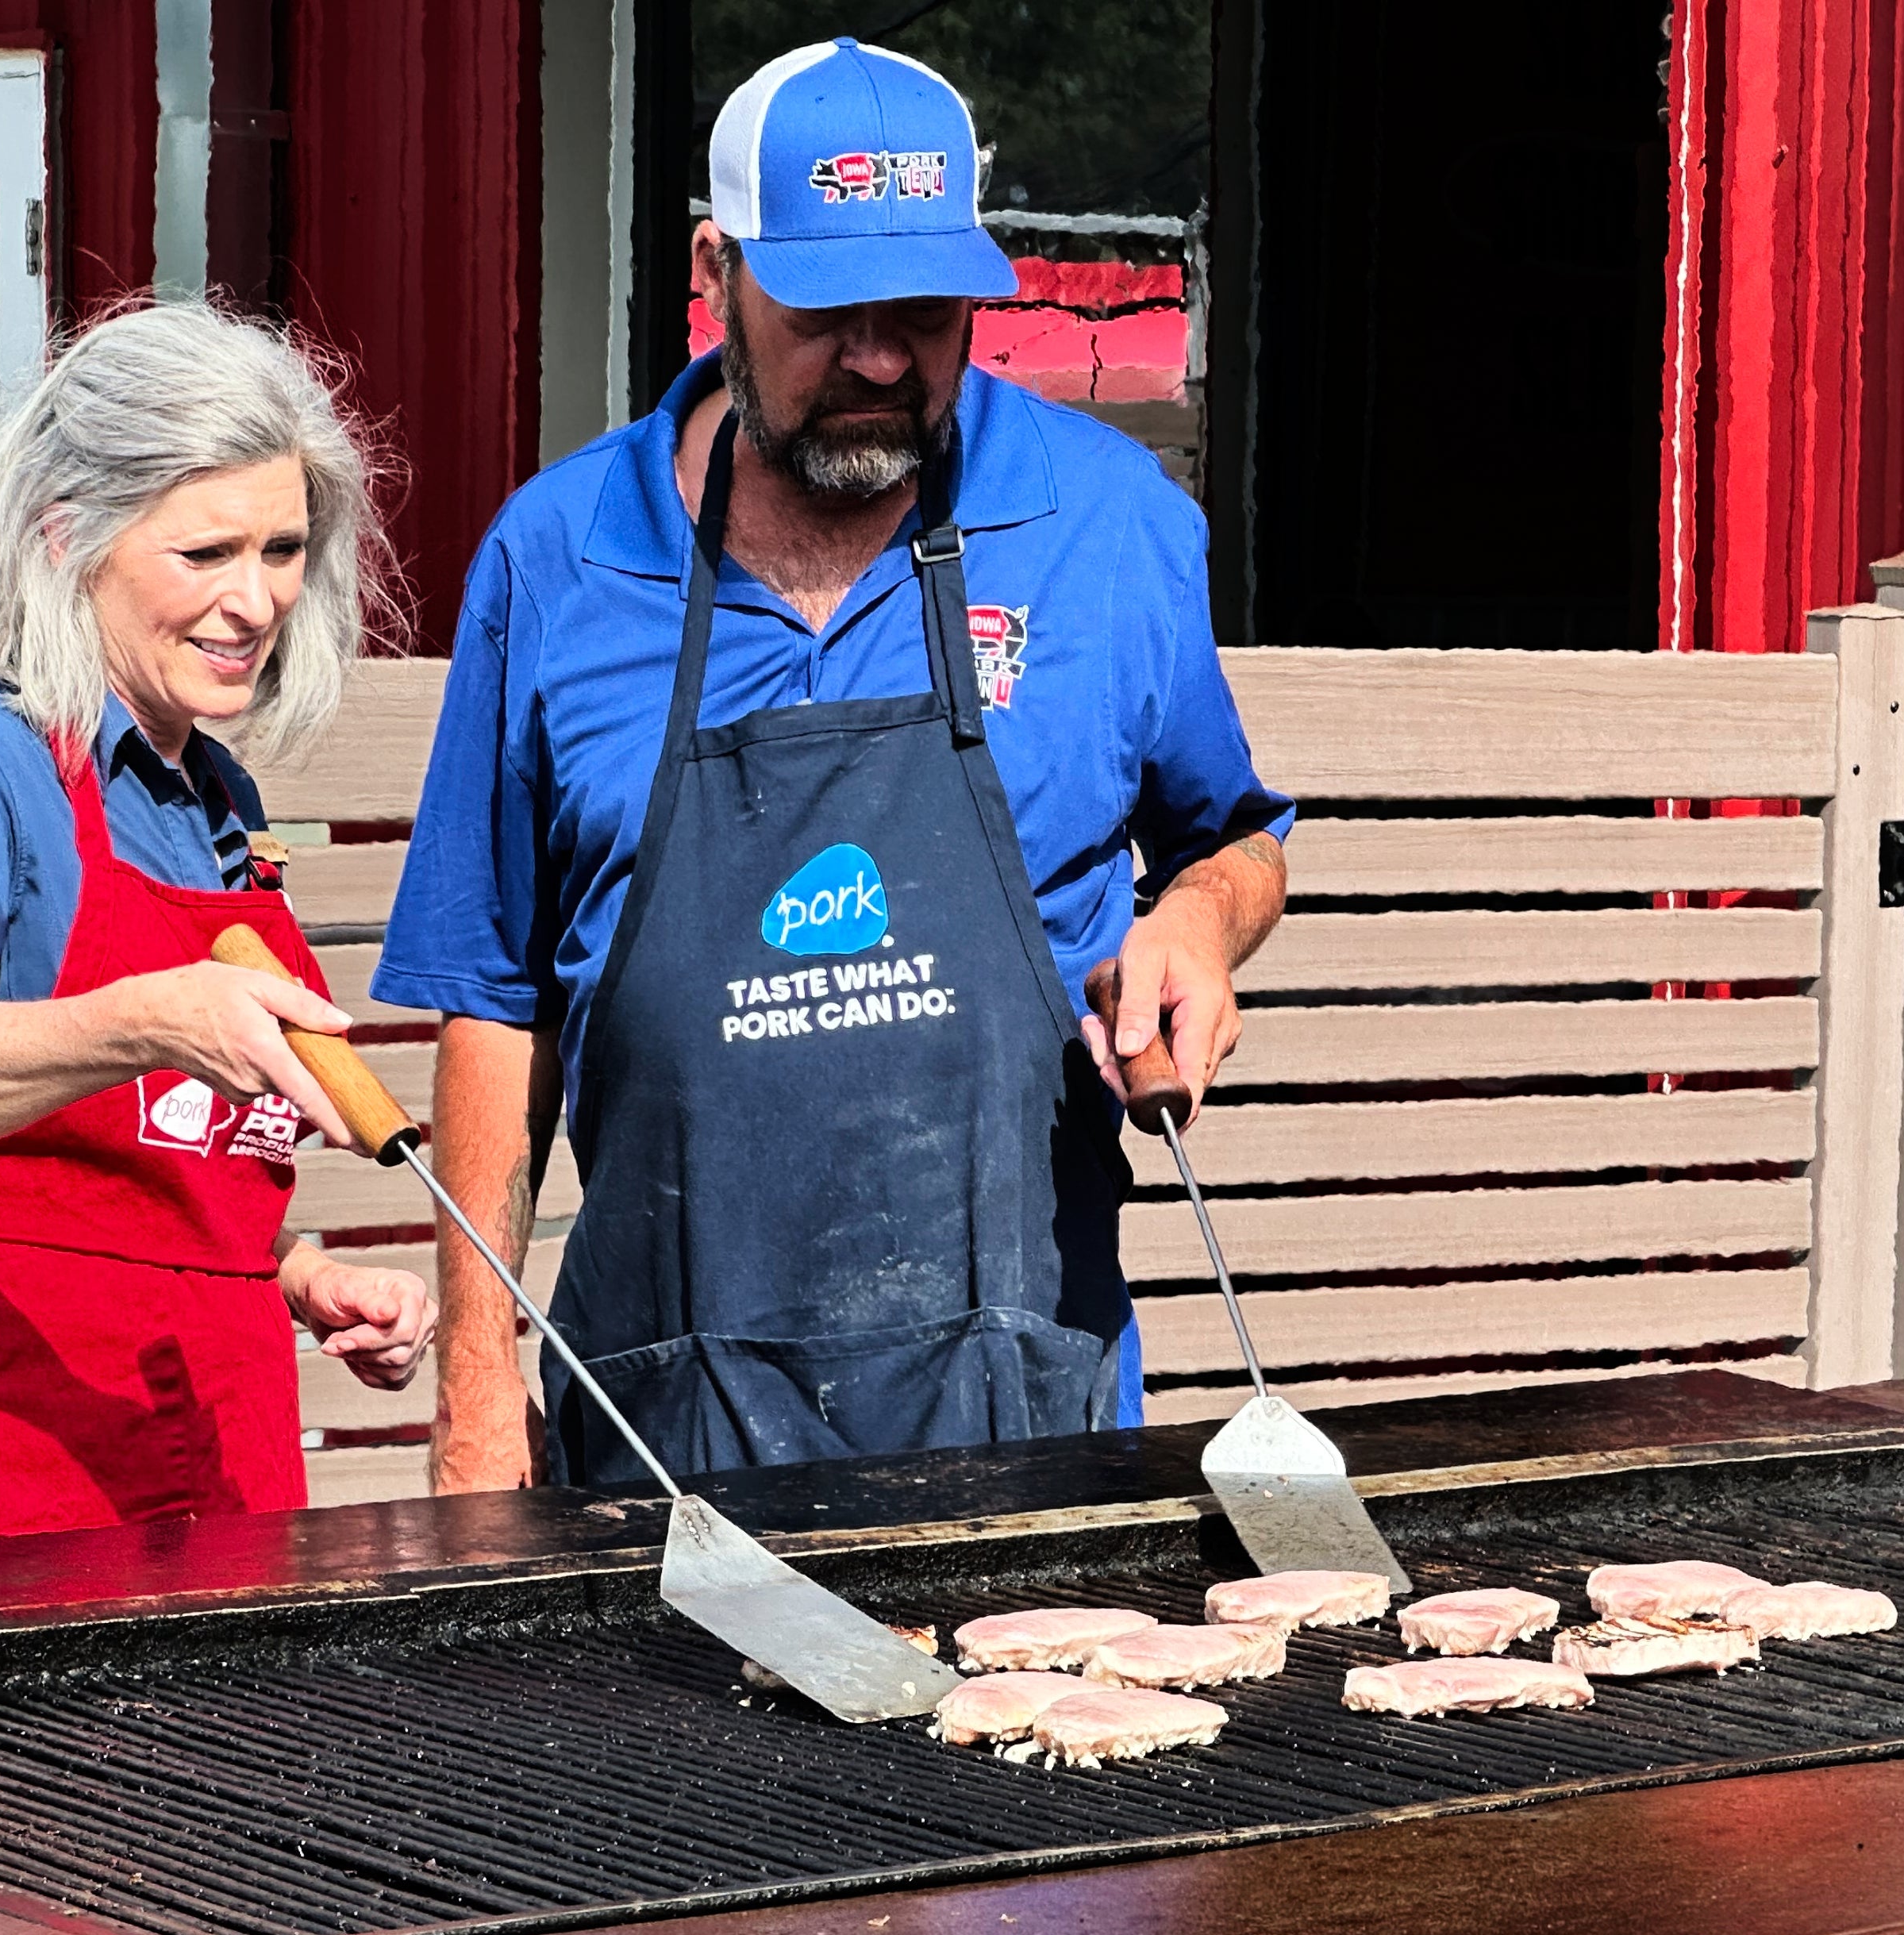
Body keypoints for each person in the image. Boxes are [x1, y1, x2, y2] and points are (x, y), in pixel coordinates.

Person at [377, 38, 1289, 1491]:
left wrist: (1191, 927)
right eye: (828, 309)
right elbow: (496, 998)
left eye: (926, 312)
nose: (881, 357)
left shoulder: (1102, 520)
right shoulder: (558, 558)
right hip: (663, 1422)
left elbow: (1233, 842)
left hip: (1024, 1396)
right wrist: (476, 1400)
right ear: (716, 269)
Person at [0, 302, 434, 1550]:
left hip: (213, 1462)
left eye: (283, 549)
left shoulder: (222, 800)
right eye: (206, 552)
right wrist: (156, 1016)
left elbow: (152, 1181)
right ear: (69, 537)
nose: (255, 600)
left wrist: (298, 1277)